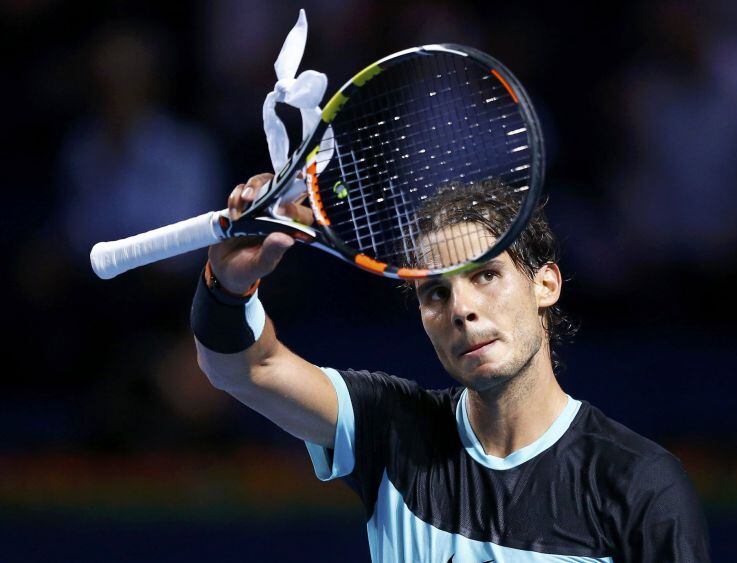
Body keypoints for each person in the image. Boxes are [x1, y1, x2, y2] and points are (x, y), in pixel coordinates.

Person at [191, 173, 710, 562]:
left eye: (485, 275)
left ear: (545, 285)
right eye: (435, 292)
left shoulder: (640, 481)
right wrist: (228, 284)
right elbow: (245, 369)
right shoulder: (390, 428)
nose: (460, 308)